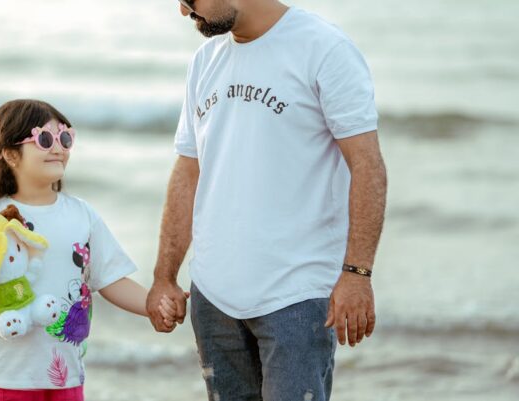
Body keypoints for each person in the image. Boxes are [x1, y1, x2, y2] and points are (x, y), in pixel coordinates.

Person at [147, 1, 388, 400]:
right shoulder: (205, 60)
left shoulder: (324, 48)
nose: (184, 10)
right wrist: (164, 276)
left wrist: (357, 274)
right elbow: (188, 172)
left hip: (296, 296)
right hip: (213, 297)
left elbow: (367, 165)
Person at [0, 99, 176, 401]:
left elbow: (110, 278)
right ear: (9, 154)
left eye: (65, 137)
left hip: (64, 373)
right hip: (4, 375)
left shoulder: (81, 215)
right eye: (44, 139)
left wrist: (154, 305)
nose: (58, 148)